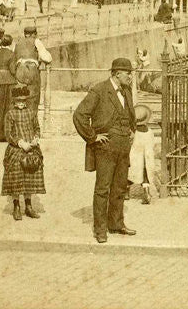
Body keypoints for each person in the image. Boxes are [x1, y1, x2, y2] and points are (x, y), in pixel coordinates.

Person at [72, 57, 138, 244]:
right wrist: (92, 137)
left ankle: (116, 224)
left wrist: (132, 130)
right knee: (103, 189)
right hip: (106, 148)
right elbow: (79, 115)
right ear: (117, 74)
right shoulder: (99, 90)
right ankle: (100, 229)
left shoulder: (126, 91)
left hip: (123, 147)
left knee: (120, 187)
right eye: (128, 73)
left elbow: (130, 115)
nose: (130, 77)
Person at [2, 85, 45, 221]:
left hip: (31, 148)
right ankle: (16, 206)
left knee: (30, 177)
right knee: (16, 177)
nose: (20, 103)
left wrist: (35, 139)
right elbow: (8, 134)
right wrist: (21, 143)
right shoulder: (10, 114)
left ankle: (28, 206)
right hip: (16, 148)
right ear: (14, 101)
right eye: (18, 101)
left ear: (26, 100)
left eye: (23, 100)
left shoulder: (31, 112)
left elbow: (37, 128)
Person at [13, 26, 52, 115]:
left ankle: (20, 119)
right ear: (35, 34)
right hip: (31, 71)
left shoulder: (18, 42)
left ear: (25, 34)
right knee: (33, 98)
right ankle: (32, 119)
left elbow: (13, 57)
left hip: (19, 71)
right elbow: (47, 58)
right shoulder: (36, 41)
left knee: (20, 98)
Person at [128, 104, 155, 205]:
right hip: (147, 158)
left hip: (135, 158)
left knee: (128, 174)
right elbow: (152, 144)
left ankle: (126, 193)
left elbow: (130, 143)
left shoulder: (133, 132)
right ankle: (146, 193)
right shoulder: (150, 132)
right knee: (145, 176)